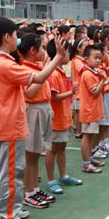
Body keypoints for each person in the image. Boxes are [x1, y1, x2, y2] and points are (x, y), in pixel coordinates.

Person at [0, 17, 65, 219]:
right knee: (12, 172)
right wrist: (58, 58)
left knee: (3, 171)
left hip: (3, 123)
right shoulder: (4, 64)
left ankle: (4, 209)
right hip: (9, 124)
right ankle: (9, 218)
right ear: (6, 37)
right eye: (14, 35)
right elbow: (39, 78)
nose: (16, 40)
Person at [18, 33, 56, 210]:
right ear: (33, 51)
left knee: (35, 154)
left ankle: (33, 188)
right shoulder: (25, 69)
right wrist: (45, 69)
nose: (44, 51)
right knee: (30, 154)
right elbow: (30, 93)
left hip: (42, 109)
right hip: (32, 110)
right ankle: (28, 192)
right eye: (41, 47)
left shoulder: (37, 67)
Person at [45, 39, 83, 194]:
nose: (69, 54)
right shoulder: (53, 73)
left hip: (64, 116)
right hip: (56, 119)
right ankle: (51, 180)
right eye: (67, 51)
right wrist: (71, 92)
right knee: (52, 150)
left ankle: (63, 175)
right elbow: (54, 97)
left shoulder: (61, 72)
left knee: (61, 148)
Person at [79, 44, 107, 173]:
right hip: (89, 110)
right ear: (86, 58)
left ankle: (89, 158)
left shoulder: (92, 72)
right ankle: (86, 163)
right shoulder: (87, 74)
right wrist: (103, 80)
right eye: (95, 57)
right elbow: (95, 92)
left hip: (93, 109)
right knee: (87, 136)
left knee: (91, 137)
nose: (98, 60)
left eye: (99, 58)